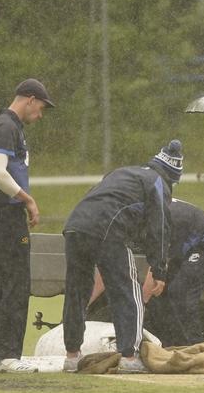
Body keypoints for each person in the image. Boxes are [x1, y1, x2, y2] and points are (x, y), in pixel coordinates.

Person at [61, 140, 183, 373]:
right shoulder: (158, 182)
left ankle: (72, 355)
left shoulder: (122, 172)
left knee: (77, 291)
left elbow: (96, 197)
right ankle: (129, 356)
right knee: (127, 291)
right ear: (172, 175)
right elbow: (160, 228)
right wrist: (159, 270)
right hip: (107, 231)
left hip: (75, 227)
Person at [0, 79, 54, 373]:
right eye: (41, 108)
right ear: (30, 99)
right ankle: (9, 355)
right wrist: (28, 200)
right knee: (15, 282)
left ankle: (0, 355)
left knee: (2, 282)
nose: (41, 115)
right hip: (4, 212)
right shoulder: (8, 127)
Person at [141, 199, 204, 346]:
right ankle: (167, 342)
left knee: (181, 292)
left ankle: (194, 347)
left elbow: (158, 265)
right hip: (190, 244)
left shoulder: (167, 218)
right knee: (160, 294)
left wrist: (142, 304)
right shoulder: (152, 209)